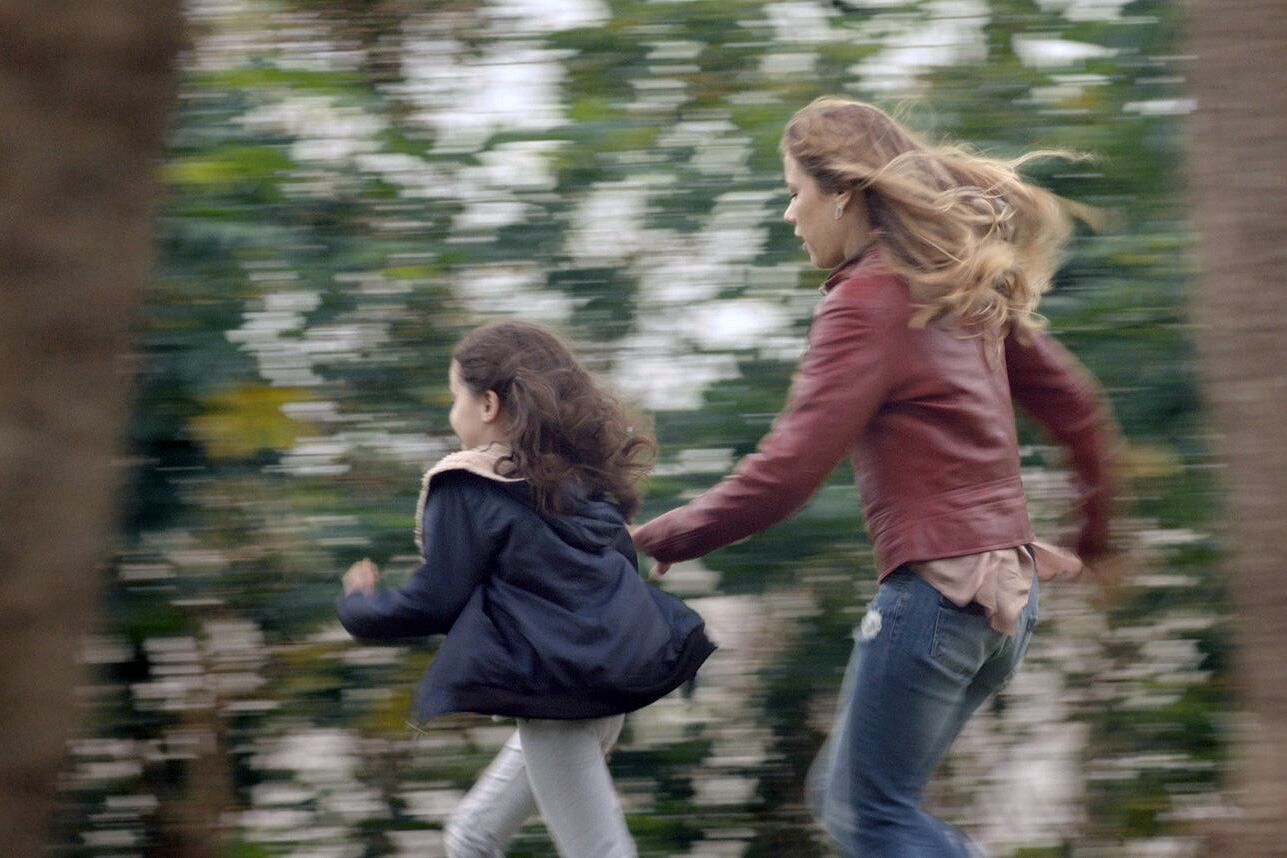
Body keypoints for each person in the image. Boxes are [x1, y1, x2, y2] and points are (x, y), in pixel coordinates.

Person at [631, 97, 1119, 856]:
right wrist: (1095, 536)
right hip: (1003, 603)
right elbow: (1079, 413)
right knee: (845, 799)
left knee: (868, 817)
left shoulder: (867, 301)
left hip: (937, 598)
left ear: (841, 192)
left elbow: (788, 470)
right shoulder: (955, 286)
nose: (790, 214)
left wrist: (665, 534)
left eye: (793, 191)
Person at [337, 320, 715, 858]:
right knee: (470, 835)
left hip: (557, 697)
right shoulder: (574, 484)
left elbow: (437, 598)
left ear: (488, 404)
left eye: (455, 398)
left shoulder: (468, 484)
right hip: (599, 688)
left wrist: (358, 606)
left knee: (600, 851)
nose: (453, 415)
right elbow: (619, 570)